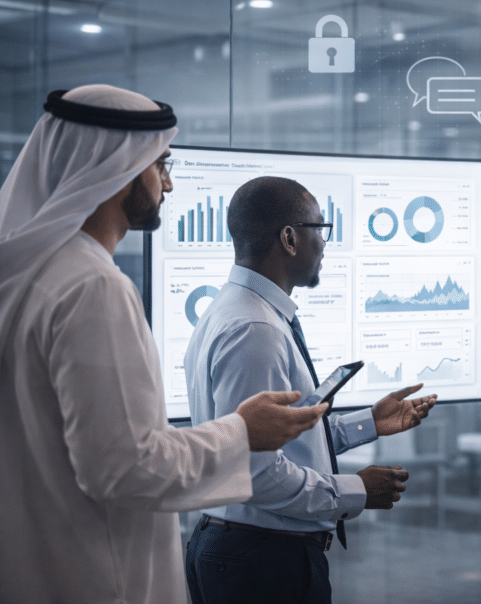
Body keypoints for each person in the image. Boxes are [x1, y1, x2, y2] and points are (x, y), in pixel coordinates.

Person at [0, 85, 329, 604]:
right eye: (161, 167)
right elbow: (126, 467)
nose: (169, 184)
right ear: (119, 168)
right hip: (98, 578)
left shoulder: (23, 277)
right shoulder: (93, 287)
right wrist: (242, 433)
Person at [184, 175, 438, 604]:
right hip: (261, 562)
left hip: (252, 553)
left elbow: (277, 437)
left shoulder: (242, 310)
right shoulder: (255, 329)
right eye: (321, 230)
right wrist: (355, 490)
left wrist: (368, 424)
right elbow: (256, 474)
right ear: (289, 238)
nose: (325, 244)